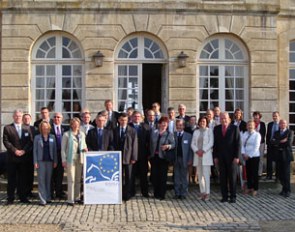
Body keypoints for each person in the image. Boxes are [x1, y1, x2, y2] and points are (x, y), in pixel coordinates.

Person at [3, 109, 33, 204]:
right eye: (16, 116)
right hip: (12, 158)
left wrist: (24, 150)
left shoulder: (27, 128)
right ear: (13, 117)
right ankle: (10, 198)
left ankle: (22, 197)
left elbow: (30, 141)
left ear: (22, 117)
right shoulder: (7, 128)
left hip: (24, 158)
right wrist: (15, 150)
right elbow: (6, 141)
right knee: (11, 179)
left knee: (22, 179)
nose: (18, 117)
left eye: (19, 116)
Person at [213, 112, 241, 203]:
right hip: (221, 157)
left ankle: (233, 196)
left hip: (232, 157)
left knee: (232, 177)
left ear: (229, 119)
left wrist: (237, 157)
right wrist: (215, 156)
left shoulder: (234, 128)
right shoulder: (216, 129)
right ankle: (224, 196)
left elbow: (238, 144)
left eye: (225, 118)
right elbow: (215, 144)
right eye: (221, 118)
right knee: (223, 178)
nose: (223, 120)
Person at [61, 117, 87, 206]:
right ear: (71, 125)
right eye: (74, 124)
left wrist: (85, 148)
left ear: (79, 125)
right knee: (71, 179)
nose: (76, 125)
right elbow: (63, 149)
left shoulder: (82, 134)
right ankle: (70, 199)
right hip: (70, 159)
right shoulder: (66, 135)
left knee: (78, 179)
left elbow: (84, 145)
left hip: (80, 158)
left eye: (77, 124)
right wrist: (63, 160)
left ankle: (77, 197)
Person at [113, 113, 138, 201]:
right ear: (119, 120)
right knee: (118, 177)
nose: (123, 122)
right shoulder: (115, 130)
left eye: (125, 120)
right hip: (117, 158)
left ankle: (127, 194)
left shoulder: (132, 130)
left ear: (128, 121)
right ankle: (118, 194)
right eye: (122, 120)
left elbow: (134, 145)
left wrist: (134, 157)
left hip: (128, 158)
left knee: (129, 177)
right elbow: (113, 143)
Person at [149, 116, 175, 200]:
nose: (164, 125)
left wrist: (168, 146)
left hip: (163, 158)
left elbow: (174, 144)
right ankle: (156, 193)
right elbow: (150, 143)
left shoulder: (169, 134)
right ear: (159, 124)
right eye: (162, 123)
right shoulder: (154, 132)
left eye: (166, 124)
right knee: (154, 176)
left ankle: (162, 194)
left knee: (163, 177)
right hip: (154, 157)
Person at [33, 121, 57, 205]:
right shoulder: (37, 137)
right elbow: (35, 151)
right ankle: (42, 199)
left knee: (48, 180)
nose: (44, 128)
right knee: (41, 180)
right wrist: (35, 161)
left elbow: (54, 150)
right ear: (41, 128)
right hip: (40, 161)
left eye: (46, 127)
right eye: (43, 127)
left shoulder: (52, 137)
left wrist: (55, 161)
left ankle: (48, 197)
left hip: (50, 161)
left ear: (49, 128)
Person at [191, 116, 214, 201]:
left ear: (206, 122)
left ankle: (207, 193)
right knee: (200, 175)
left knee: (206, 175)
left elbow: (211, 143)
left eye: (204, 121)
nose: (202, 123)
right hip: (198, 156)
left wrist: (203, 150)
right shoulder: (196, 132)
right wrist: (197, 151)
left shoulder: (209, 131)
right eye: (201, 121)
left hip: (206, 156)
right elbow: (192, 143)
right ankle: (202, 191)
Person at [129, 111, 150, 198]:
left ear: (141, 117)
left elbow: (149, 142)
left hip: (143, 155)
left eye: (138, 116)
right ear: (132, 117)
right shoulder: (128, 127)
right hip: (131, 155)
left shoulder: (146, 127)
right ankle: (131, 192)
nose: (137, 118)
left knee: (143, 175)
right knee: (132, 175)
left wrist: (148, 154)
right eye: (135, 116)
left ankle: (144, 192)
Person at [272, 119, 294, 198]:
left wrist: (278, 142)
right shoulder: (276, 132)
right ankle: (283, 188)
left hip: (286, 155)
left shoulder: (290, 132)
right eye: (281, 123)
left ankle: (287, 190)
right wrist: (281, 141)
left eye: (284, 123)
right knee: (280, 174)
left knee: (286, 174)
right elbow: (273, 142)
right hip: (278, 155)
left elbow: (288, 143)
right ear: (279, 124)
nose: (282, 124)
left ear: (286, 124)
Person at [173, 119, 193, 199]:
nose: (179, 126)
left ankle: (183, 193)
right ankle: (177, 193)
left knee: (184, 176)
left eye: (181, 125)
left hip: (185, 159)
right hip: (176, 158)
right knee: (176, 177)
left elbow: (191, 149)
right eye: (178, 125)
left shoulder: (188, 136)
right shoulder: (173, 135)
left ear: (184, 126)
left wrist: (190, 159)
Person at [241, 120, 261, 196]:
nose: (250, 126)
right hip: (246, 156)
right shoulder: (244, 134)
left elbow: (256, 147)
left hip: (254, 156)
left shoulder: (257, 135)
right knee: (248, 173)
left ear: (254, 126)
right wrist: (243, 153)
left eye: (251, 125)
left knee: (254, 173)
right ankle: (249, 187)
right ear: (246, 126)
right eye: (248, 125)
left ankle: (255, 188)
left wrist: (249, 155)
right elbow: (242, 145)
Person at [51, 112, 68, 199]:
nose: (57, 118)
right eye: (55, 117)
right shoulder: (49, 128)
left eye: (58, 117)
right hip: (52, 154)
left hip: (61, 154)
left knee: (60, 174)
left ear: (62, 119)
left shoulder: (65, 128)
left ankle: (59, 192)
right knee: (51, 175)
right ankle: (50, 193)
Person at [22, 113, 36, 198]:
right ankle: (23, 191)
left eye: (28, 118)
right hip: (24, 155)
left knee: (31, 174)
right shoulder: (21, 129)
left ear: (30, 119)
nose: (27, 119)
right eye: (25, 118)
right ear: (23, 119)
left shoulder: (34, 128)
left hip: (32, 155)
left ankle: (29, 191)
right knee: (23, 174)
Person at [265, 111, 280, 181]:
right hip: (270, 145)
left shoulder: (281, 124)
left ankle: (277, 176)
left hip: (277, 145)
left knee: (277, 161)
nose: (275, 117)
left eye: (276, 116)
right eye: (273, 116)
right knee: (269, 161)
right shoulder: (270, 124)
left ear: (279, 116)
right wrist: (268, 143)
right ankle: (269, 175)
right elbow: (268, 134)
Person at [252, 111, 266, 177]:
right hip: (253, 143)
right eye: (255, 116)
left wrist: (259, 140)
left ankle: (259, 172)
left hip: (261, 143)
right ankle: (254, 171)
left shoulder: (262, 124)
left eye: (257, 116)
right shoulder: (252, 123)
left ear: (259, 117)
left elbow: (264, 133)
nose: (256, 117)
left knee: (261, 158)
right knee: (254, 157)